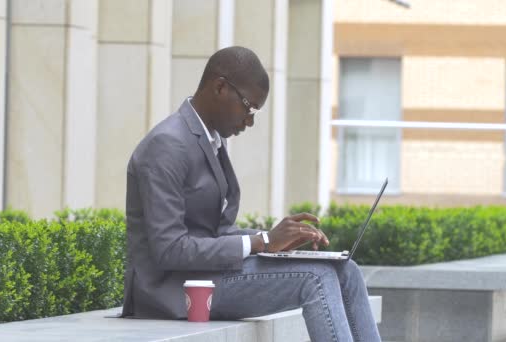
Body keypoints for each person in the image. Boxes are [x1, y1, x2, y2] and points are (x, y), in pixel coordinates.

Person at [122, 46, 381, 342]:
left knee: (346, 270)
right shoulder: (167, 145)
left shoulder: (208, 140)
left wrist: (274, 241)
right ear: (220, 87)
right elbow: (169, 249)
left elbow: (214, 233)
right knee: (316, 278)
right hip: (173, 290)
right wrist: (262, 242)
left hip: (206, 275)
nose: (249, 120)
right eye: (248, 106)